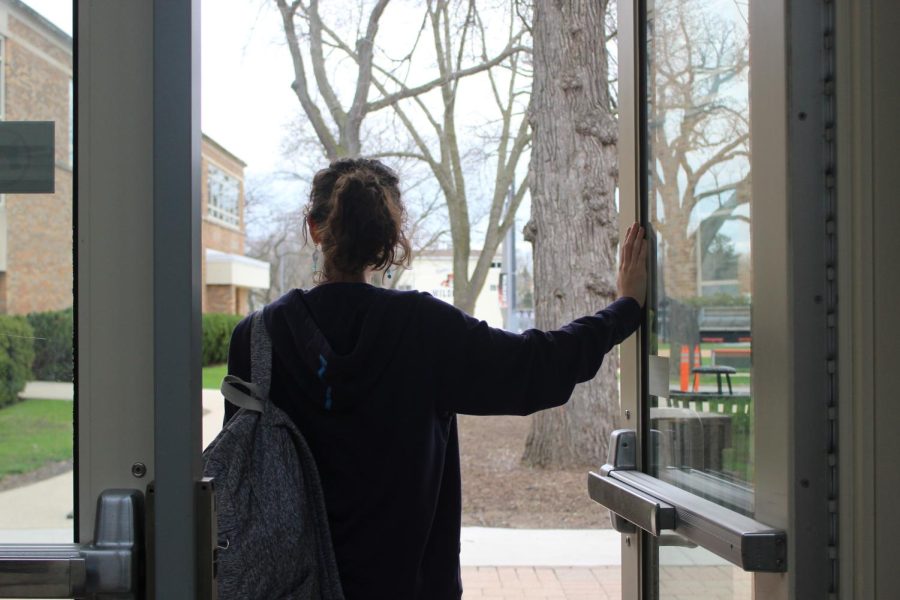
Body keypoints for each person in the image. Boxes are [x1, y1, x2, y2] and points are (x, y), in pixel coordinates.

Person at [225, 157, 648, 599]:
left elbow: (238, 478)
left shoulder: (256, 340)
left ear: (314, 229)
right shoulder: (423, 328)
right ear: (390, 239)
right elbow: (534, 365)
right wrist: (625, 308)